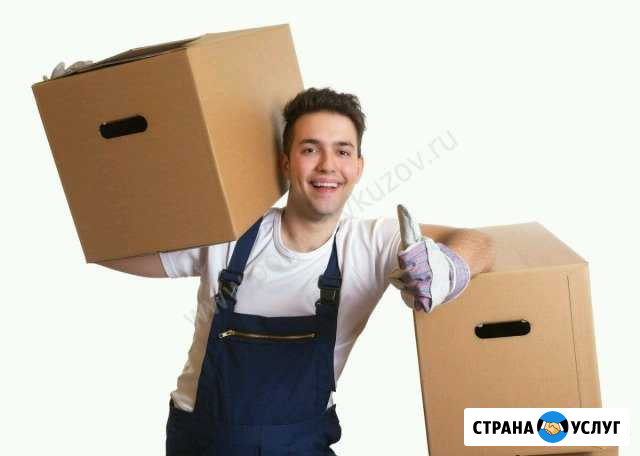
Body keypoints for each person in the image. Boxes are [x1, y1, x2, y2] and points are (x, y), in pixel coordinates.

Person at [97, 87, 495, 455]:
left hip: (300, 445)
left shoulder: (371, 242)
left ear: (358, 166)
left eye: (342, 151)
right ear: (286, 162)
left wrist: (448, 268)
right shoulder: (230, 232)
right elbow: (111, 249)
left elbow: (479, 242)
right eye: (310, 149)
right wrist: (88, 124)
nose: (328, 166)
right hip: (202, 441)